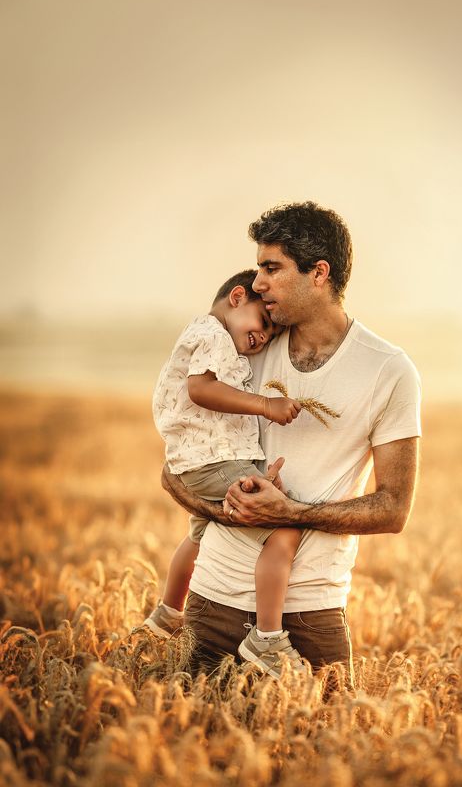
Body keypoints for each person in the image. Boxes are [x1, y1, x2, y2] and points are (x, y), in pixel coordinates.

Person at [161, 201, 422, 683]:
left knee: (322, 750)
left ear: (319, 273)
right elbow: (174, 464)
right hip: (212, 600)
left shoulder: (389, 370)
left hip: (311, 612)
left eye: (271, 268)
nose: (258, 283)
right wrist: (222, 511)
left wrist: (289, 515)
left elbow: (393, 509)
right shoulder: (242, 346)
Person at [145, 269, 307, 675]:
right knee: (284, 527)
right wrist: (265, 405)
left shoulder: (215, 337)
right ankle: (266, 639)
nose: (262, 338)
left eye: (269, 336)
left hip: (203, 461)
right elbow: (200, 389)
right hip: (211, 461)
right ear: (237, 297)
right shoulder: (212, 334)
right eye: (263, 324)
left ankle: (167, 614)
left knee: (198, 536)